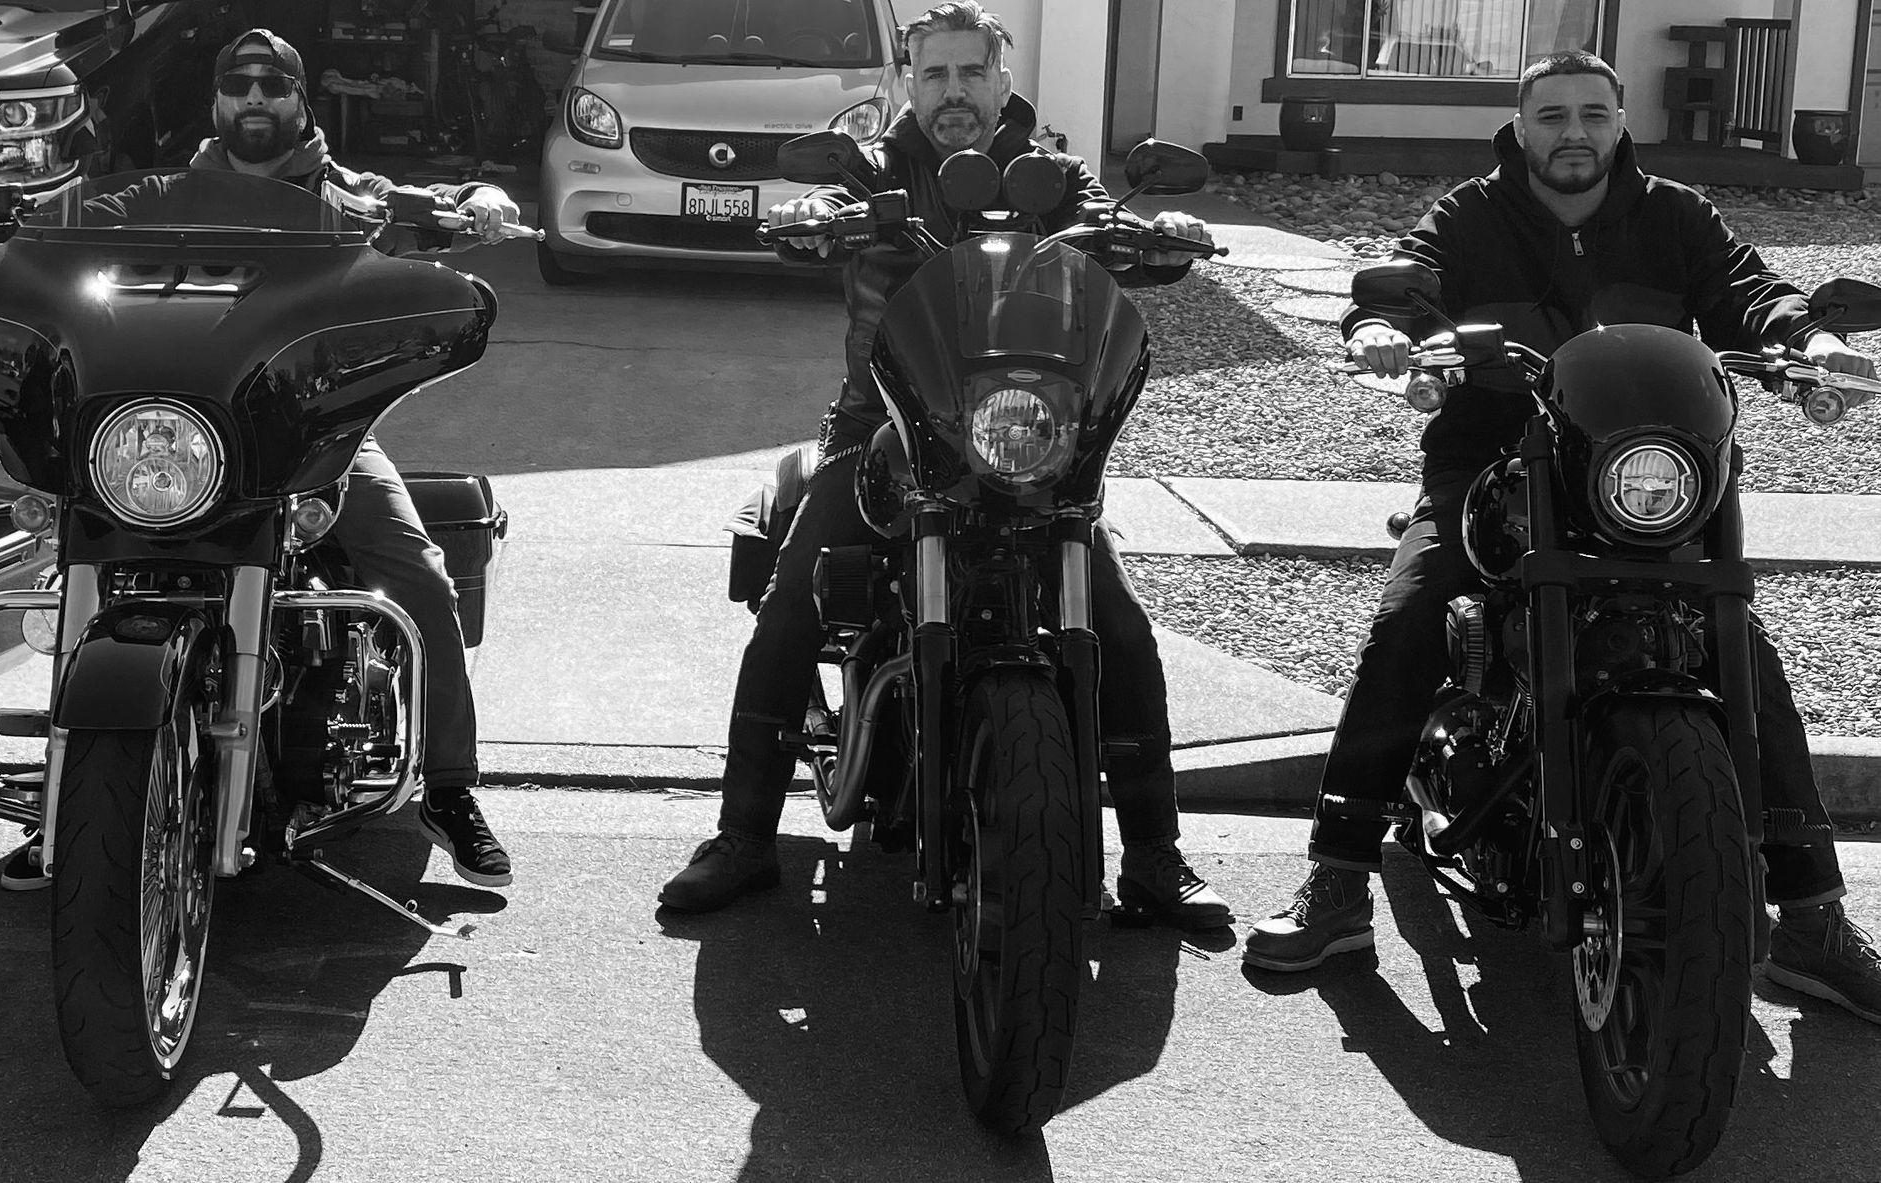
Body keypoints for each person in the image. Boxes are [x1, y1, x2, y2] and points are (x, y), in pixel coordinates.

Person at [1241, 50, 1881, 1025]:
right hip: (1493, 464)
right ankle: (1337, 877)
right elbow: (1411, 278)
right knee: (1412, 611)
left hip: (1642, 478)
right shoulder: (1472, 214)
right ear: (1522, 124)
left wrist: (1808, 341)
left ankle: (1812, 916)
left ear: (1621, 122)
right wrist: (1379, 323)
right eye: (1552, 115)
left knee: (1743, 648)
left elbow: (1748, 290)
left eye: (1592, 113)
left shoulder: (1676, 216)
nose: (1573, 132)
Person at [657, 1, 1232, 928]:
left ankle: (1156, 856)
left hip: (1020, 436)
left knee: (1120, 625)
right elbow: (832, 203)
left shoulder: (1055, 175)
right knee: (794, 600)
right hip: (884, 429)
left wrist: (1152, 232)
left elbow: (1098, 221)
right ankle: (743, 835)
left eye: (971, 73)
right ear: (910, 84)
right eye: (934, 74)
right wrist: (813, 215)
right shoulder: (876, 167)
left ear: (1003, 82)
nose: (953, 91)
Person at [0, 29, 520, 892]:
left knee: (415, 570)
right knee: (85, 566)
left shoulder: (352, 198)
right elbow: (55, 209)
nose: (255, 99)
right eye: (239, 85)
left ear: (301, 100)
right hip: (173, 433)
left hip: (305, 436)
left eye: (273, 85)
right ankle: (73, 799)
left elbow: (436, 206)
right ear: (215, 101)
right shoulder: (159, 196)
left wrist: (479, 199)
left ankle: (452, 786)